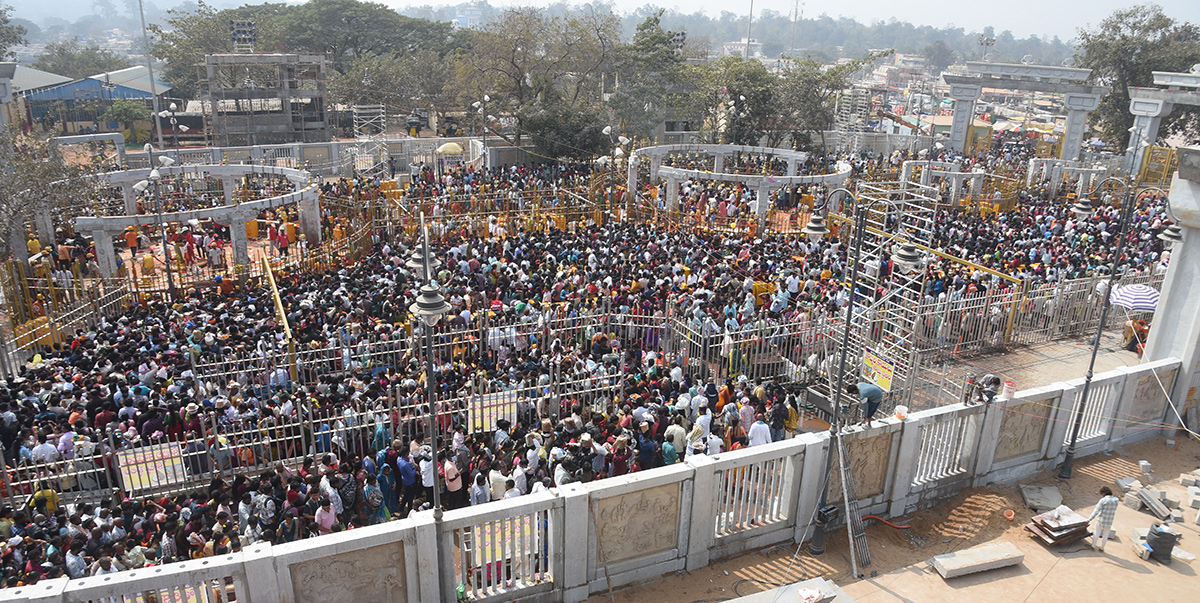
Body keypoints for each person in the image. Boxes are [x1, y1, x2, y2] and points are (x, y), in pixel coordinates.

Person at [1086, 487, 1119, 552]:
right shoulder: (1116, 500)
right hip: (1109, 520)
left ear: (1104, 493)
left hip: (1101, 519)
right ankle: (1102, 548)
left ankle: (1093, 546)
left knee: (1097, 532)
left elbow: (1096, 511)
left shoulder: (1103, 500)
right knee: (1106, 535)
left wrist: (1089, 519)